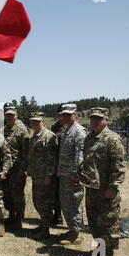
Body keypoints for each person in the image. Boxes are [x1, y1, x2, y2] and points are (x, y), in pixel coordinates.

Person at [80, 107, 126, 256]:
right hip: (92, 188)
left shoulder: (112, 139)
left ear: (106, 120)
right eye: (93, 118)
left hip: (106, 190)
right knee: (94, 222)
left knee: (107, 223)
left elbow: (118, 167)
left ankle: (108, 255)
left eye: (99, 119)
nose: (95, 121)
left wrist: (112, 188)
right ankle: (98, 250)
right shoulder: (89, 138)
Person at [57, 103, 88, 245]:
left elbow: (80, 156)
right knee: (66, 203)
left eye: (69, 115)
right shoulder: (66, 131)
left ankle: (76, 234)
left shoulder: (79, 132)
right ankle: (72, 229)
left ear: (75, 115)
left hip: (72, 177)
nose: (66, 117)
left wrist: (76, 176)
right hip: (64, 175)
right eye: (64, 115)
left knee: (74, 204)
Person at [27, 112, 58, 240]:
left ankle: (45, 231)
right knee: (37, 202)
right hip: (36, 175)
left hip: (44, 177)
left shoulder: (48, 136)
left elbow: (52, 159)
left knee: (44, 203)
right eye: (33, 121)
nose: (35, 123)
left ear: (42, 121)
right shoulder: (35, 136)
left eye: (37, 121)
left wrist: (48, 176)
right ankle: (43, 225)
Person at [3, 106, 31, 230]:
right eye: (7, 115)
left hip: (17, 169)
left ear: (16, 115)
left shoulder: (22, 131)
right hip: (6, 168)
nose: (9, 117)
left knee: (17, 195)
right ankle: (11, 216)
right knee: (7, 194)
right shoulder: (4, 130)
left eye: (12, 115)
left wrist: (22, 169)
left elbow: (26, 153)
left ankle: (19, 219)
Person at [50, 104, 65, 226]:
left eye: (63, 114)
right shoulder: (54, 127)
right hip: (55, 162)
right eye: (59, 114)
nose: (60, 116)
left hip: (67, 163)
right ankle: (57, 214)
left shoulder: (70, 126)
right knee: (55, 190)